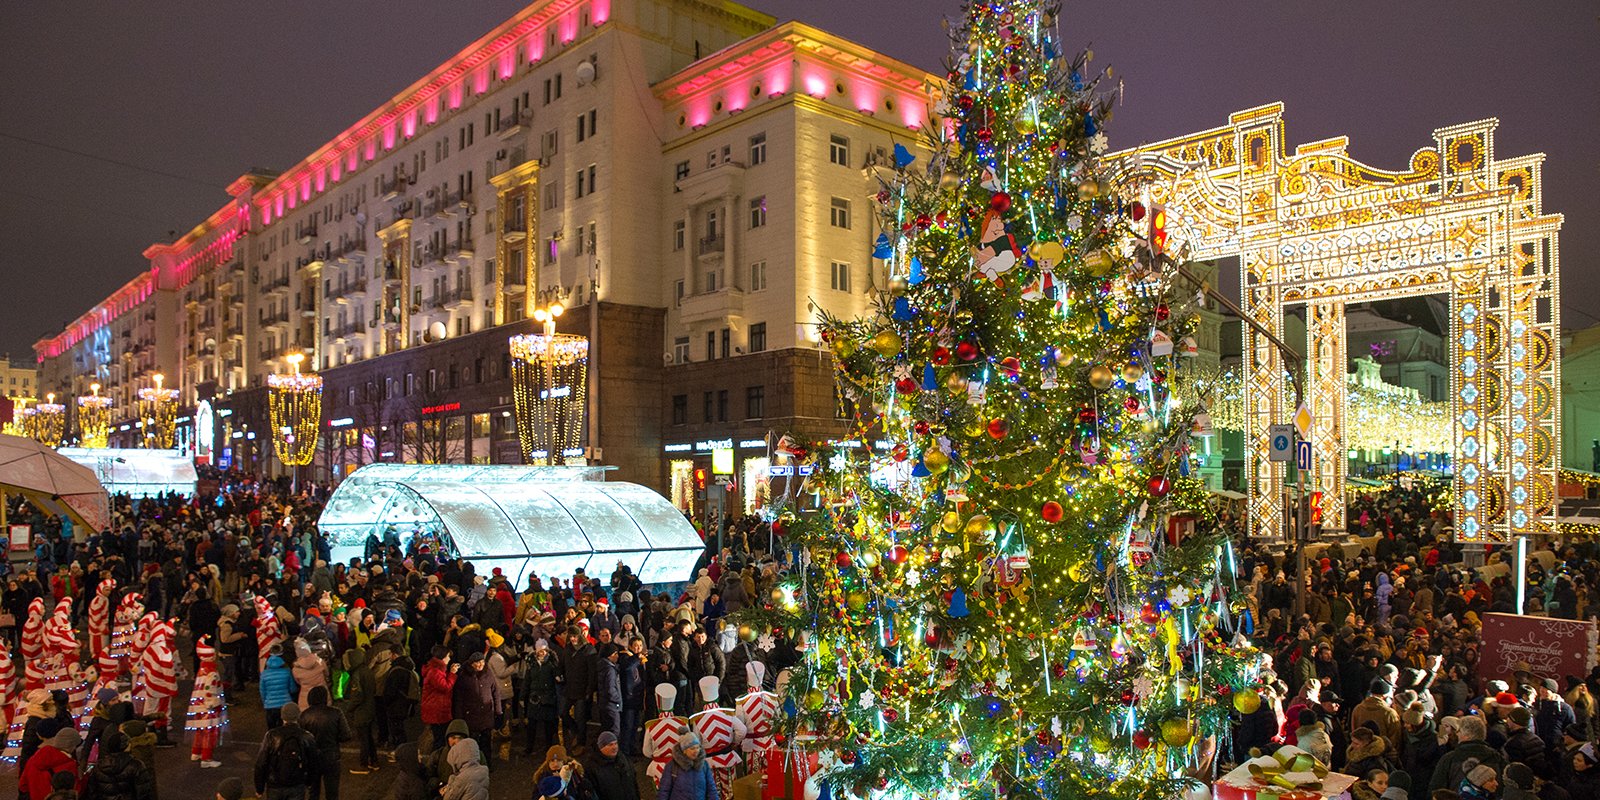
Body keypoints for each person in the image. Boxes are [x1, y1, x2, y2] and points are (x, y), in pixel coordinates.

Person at [255, 702, 320, 800]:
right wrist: (309, 782)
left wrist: (259, 788)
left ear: (282, 717)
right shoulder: (307, 736)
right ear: (298, 716)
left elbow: (261, 763)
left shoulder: (271, 735)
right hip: (297, 783)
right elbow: (313, 762)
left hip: (275, 784)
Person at [300, 687, 353, 800]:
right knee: (332, 793)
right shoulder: (336, 713)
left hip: (312, 758)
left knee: (313, 792)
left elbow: (301, 740)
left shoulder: (304, 715)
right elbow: (346, 735)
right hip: (331, 757)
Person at [452, 651, 501, 766]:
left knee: (486, 743)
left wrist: (498, 711)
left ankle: (487, 763)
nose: (480, 665)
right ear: (471, 664)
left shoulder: (488, 673)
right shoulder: (463, 677)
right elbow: (458, 698)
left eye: (482, 662)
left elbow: (495, 692)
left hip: (486, 715)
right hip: (471, 716)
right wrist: (459, 717)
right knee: (472, 744)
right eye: (477, 663)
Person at [78, 731, 155, 800]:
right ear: (126, 746)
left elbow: (92, 792)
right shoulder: (136, 765)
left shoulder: (98, 766)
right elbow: (143, 793)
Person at [341, 645, 379, 774]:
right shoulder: (367, 670)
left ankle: (363, 764)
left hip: (362, 711)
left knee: (363, 739)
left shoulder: (357, 674)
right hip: (371, 708)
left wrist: (349, 708)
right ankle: (374, 761)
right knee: (369, 737)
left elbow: (357, 695)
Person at [656, 728, 716, 800]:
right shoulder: (672, 766)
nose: (696, 751)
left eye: (698, 747)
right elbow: (664, 791)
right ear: (684, 750)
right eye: (692, 748)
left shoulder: (704, 765)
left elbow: (711, 789)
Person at [20, 728, 80, 800]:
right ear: (72, 746)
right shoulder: (69, 765)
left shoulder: (34, 758)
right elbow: (75, 790)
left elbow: (22, 786)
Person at [523, 640, 560, 756]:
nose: (542, 653)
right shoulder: (532, 664)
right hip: (534, 698)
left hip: (548, 698)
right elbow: (527, 681)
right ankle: (529, 747)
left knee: (548, 726)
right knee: (531, 725)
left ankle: (549, 748)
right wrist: (522, 696)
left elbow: (556, 681)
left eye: (544, 650)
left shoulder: (552, 664)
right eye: (540, 651)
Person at [421, 647, 458, 749]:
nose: (449, 659)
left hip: (437, 708)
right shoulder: (435, 672)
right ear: (442, 657)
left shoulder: (437, 669)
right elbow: (445, 687)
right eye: (448, 657)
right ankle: (435, 761)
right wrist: (452, 674)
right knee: (439, 739)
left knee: (439, 737)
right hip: (437, 710)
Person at [586, 731, 640, 800]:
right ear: (601, 747)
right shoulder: (592, 767)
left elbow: (633, 783)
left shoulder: (623, 759)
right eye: (610, 745)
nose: (614, 747)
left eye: (615, 743)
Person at [259, 646, 298, 730]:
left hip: (270, 706)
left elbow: (262, 691)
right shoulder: (287, 671)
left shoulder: (264, 674)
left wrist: (265, 702)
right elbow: (292, 689)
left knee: (272, 730)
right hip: (285, 704)